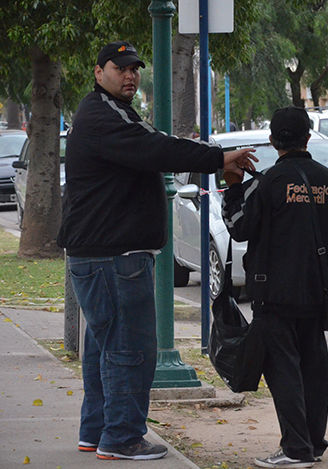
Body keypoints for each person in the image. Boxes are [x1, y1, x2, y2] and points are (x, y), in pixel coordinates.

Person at [57, 41, 257, 461]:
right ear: (99, 73)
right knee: (130, 349)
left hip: (104, 254)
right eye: (120, 68)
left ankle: (96, 432)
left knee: (104, 348)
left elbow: (156, 146)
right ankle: (123, 437)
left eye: (134, 69)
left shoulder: (109, 114)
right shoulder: (103, 116)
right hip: (114, 256)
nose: (129, 75)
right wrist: (218, 157)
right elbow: (157, 148)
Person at [221, 106, 328, 468]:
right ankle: (313, 442)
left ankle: (296, 449)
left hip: (274, 291)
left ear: (273, 140)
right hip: (319, 290)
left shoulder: (268, 183)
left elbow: (240, 227)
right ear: (308, 137)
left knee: (284, 369)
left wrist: (233, 188)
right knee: (314, 366)